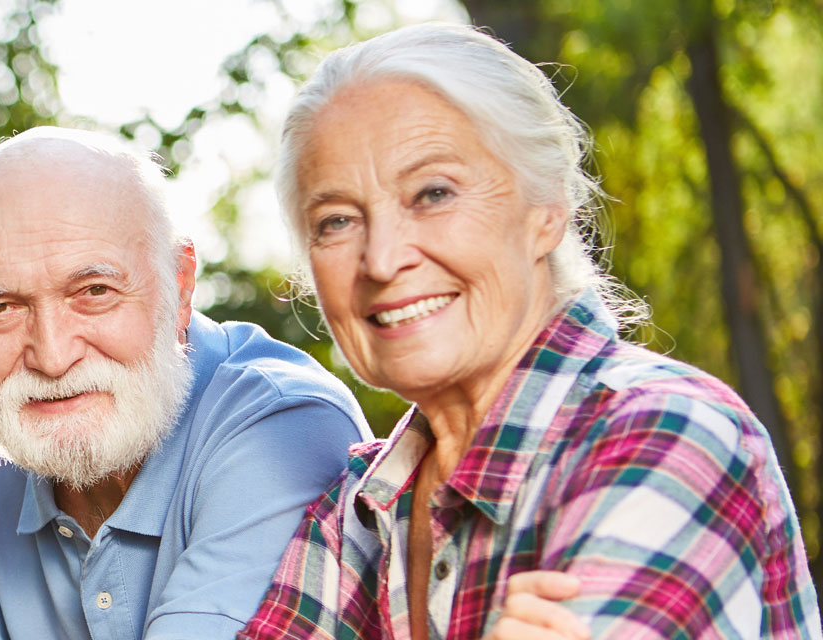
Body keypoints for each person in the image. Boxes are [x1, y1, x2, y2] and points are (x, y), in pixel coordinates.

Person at [240, 23, 821, 639]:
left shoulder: (663, 432)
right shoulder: (356, 506)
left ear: (547, 211)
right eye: (336, 221)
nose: (382, 260)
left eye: (433, 193)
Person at [0, 126, 372, 639]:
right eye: (0, 308)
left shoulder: (282, 426)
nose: (53, 358)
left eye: (95, 291)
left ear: (180, 286)